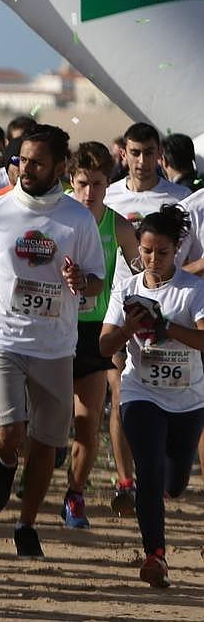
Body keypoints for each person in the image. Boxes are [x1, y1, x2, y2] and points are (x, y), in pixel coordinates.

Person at [0, 124, 104, 557]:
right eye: (22, 159)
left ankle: (26, 524)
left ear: (60, 166)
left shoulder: (77, 218)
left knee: (47, 441)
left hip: (55, 345)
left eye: (37, 162)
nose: (26, 168)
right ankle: (4, 461)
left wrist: (81, 280)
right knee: (9, 434)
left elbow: (97, 282)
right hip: (0, 338)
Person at [99, 204, 204, 588]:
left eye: (161, 251)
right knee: (149, 470)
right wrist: (130, 325)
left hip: (188, 398)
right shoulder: (126, 287)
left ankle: (164, 491)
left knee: (174, 482)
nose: (152, 259)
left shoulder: (194, 289)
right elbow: (103, 344)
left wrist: (168, 328)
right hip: (140, 392)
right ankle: (154, 556)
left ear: (177, 249)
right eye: (146, 251)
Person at [103, 122, 194, 513]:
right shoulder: (108, 196)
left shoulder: (181, 198)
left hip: (176, 308)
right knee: (122, 392)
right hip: (122, 306)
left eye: (149, 153)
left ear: (160, 154)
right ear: (123, 153)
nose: (141, 161)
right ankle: (128, 481)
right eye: (134, 153)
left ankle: (162, 475)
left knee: (178, 396)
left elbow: (192, 255)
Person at [63, 142, 139, 529]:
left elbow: (144, 274)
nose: (88, 192)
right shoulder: (55, 215)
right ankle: (43, 460)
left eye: (97, 183)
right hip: (50, 327)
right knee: (47, 421)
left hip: (94, 328)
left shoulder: (118, 226)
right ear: (69, 182)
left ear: (109, 184)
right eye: (81, 183)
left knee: (88, 420)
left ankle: (75, 494)